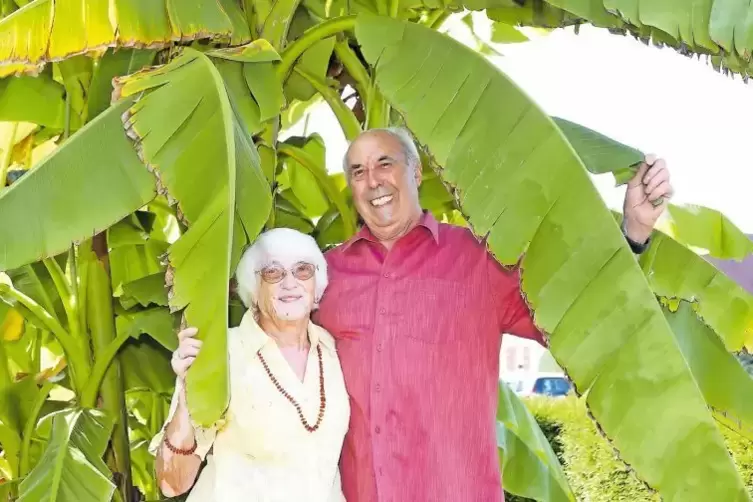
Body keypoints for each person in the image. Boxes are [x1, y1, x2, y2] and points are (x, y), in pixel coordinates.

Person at [313, 127, 673, 502]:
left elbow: (576, 313)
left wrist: (632, 233)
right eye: (358, 171)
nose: (372, 181)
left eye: (384, 164)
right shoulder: (323, 277)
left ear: (416, 173)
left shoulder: (480, 259)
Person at [150, 228, 350, 502]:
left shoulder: (331, 349)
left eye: (302, 270)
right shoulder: (223, 354)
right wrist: (187, 398)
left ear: (317, 289)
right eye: (273, 272)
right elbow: (171, 484)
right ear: (253, 293)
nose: (289, 283)